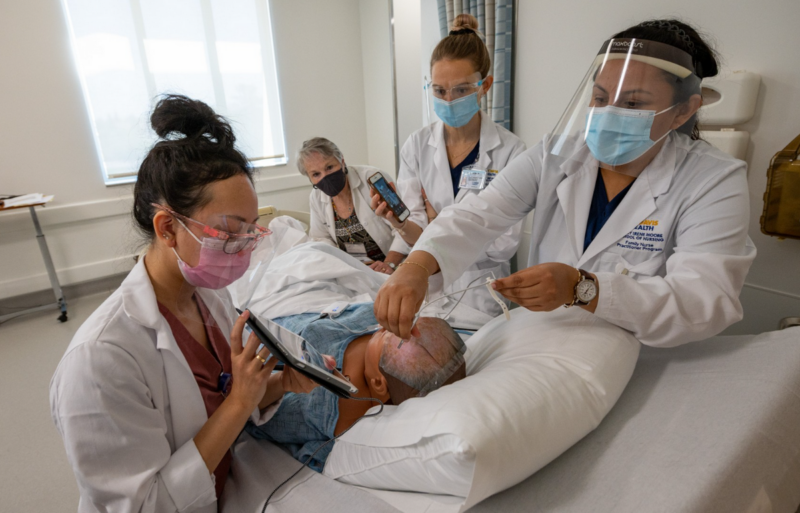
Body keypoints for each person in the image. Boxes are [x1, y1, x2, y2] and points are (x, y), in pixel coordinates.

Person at [375, 19, 757, 348]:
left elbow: (704, 301)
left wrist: (582, 288)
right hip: (543, 340)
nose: (609, 115)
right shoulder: (557, 154)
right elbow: (479, 213)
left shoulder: (713, 180)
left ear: (684, 110)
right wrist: (418, 266)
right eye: (600, 97)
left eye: (634, 104)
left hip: (643, 358)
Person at [50, 95, 319, 513]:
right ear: (168, 227)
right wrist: (240, 402)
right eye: (230, 232)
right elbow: (143, 505)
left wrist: (283, 383)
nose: (244, 246)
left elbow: (224, 402)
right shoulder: (100, 361)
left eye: (252, 230)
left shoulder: (209, 299)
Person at [371, 13, 526, 316]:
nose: (450, 99)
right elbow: (415, 225)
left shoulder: (511, 151)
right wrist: (400, 223)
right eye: (439, 90)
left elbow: (504, 244)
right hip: (429, 291)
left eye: (462, 89)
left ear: (485, 85)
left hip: (482, 292)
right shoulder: (417, 146)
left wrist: (436, 223)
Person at [246, 304, 467, 471]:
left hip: (252, 361)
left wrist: (277, 385)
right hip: (289, 315)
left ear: (378, 384)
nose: (383, 327)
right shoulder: (380, 334)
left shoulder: (334, 418)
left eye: (384, 333)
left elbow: (254, 411)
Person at [300, 137, 407, 275]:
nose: (325, 177)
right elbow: (321, 238)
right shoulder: (316, 196)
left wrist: (389, 264)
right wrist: (340, 265)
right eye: (316, 174)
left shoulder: (371, 179)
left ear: (342, 161)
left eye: (329, 167)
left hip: (394, 266)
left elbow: (402, 226)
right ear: (309, 178)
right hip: (352, 271)